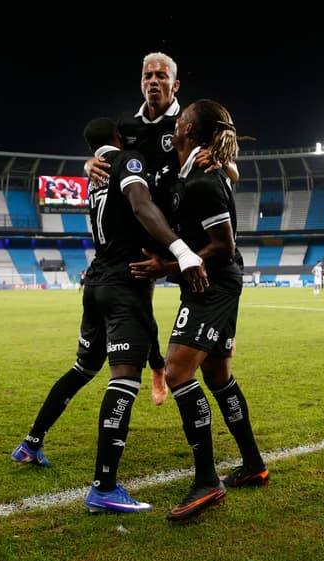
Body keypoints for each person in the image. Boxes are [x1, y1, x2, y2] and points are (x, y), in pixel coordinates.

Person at [12, 117, 208, 516]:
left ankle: (31, 444)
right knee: (124, 380)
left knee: (82, 369)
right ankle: (104, 487)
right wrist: (182, 250)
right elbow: (140, 204)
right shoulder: (127, 161)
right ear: (119, 138)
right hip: (123, 282)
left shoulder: (95, 175)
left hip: (96, 282)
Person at [130, 99, 269, 523]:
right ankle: (253, 463)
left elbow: (223, 246)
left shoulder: (204, 181)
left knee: (176, 373)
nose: (176, 121)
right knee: (217, 375)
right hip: (214, 282)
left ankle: (208, 480)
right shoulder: (189, 172)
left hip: (213, 284)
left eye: (182, 118)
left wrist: (167, 267)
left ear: (189, 130)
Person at [86, 52, 241, 408]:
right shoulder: (127, 126)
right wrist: (89, 163)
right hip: (144, 226)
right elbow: (109, 156)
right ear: (141, 82)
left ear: (175, 84)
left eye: (161, 75)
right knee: (139, 304)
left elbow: (230, 168)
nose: (153, 81)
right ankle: (157, 365)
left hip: (183, 225)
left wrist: (225, 163)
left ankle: (218, 340)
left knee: (209, 279)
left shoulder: (191, 123)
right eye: (148, 75)